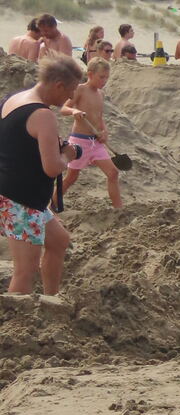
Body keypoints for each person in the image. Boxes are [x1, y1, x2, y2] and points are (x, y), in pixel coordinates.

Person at [0, 54, 82, 301]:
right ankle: (15, 320)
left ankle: (51, 300)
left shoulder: (14, 99)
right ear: (58, 85)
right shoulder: (43, 115)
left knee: (59, 241)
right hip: (21, 200)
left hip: (15, 194)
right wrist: (67, 154)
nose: (70, 98)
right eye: (71, 91)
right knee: (26, 271)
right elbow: (52, 168)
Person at [60, 57, 123, 209]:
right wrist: (74, 111)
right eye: (101, 77)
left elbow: (99, 117)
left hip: (95, 142)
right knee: (71, 177)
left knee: (113, 173)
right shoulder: (80, 89)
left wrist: (104, 132)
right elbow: (63, 108)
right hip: (79, 141)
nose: (104, 81)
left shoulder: (100, 94)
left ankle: (119, 209)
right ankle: (52, 206)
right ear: (90, 74)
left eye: (107, 77)